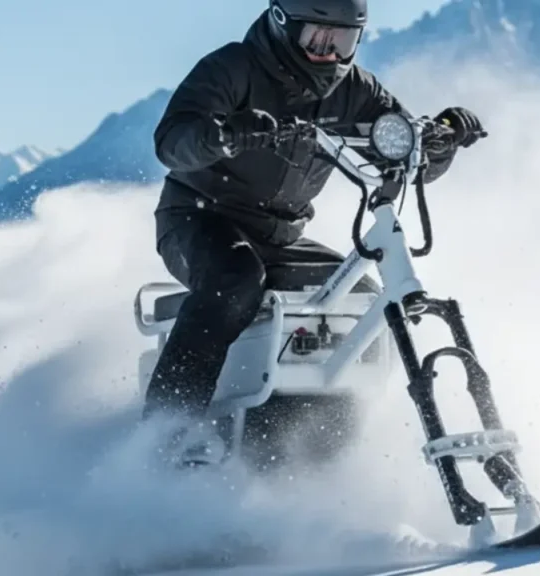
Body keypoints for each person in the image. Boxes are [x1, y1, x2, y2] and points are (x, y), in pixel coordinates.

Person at [143, 0, 486, 467]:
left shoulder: (356, 89)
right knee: (235, 279)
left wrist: (439, 141)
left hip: (279, 237)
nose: (327, 53)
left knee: (356, 302)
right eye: (316, 38)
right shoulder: (234, 68)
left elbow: (401, 146)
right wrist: (225, 133)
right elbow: (172, 140)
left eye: (341, 40)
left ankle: (302, 446)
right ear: (284, 25)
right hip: (199, 219)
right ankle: (169, 433)